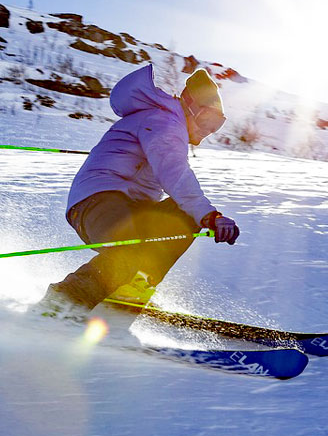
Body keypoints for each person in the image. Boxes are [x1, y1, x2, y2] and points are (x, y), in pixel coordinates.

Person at [37, 64, 239, 318]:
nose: (205, 134)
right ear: (190, 105)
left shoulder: (164, 121)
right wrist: (210, 214)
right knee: (132, 246)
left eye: (216, 127)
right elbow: (174, 172)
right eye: (207, 121)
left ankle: (129, 295)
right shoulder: (165, 120)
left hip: (125, 205)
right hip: (98, 202)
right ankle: (65, 300)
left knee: (182, 216)